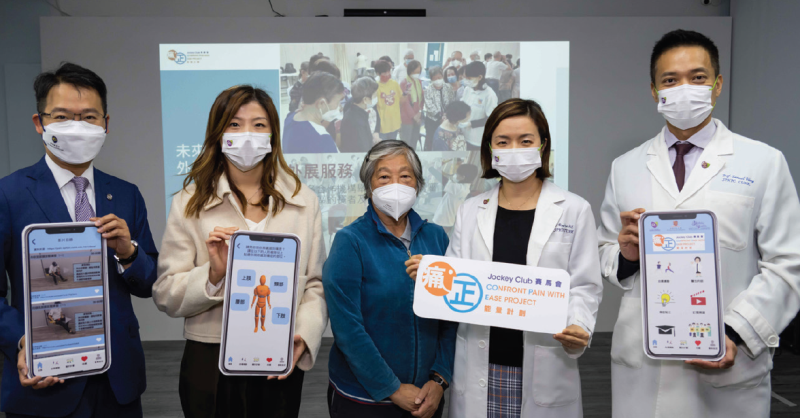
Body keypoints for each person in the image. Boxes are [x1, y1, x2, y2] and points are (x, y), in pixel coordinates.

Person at [597, 29, 800, 418]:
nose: (684, 88)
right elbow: (606, 251)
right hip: (643, 365)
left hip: (728, 360)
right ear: (655, 91)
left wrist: (737, 331)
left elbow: (789, 263)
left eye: (698, 77)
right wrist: (625, 255)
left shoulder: (762, 161)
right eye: (670, 80)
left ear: (717, 85)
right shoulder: (625, 167)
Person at [407, 99, 603, 418]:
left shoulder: (573, 209)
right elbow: (457, 285)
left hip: (545, 364)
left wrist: (579, 325)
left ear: (543, 145)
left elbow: (585, 287)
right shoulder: (471, 210)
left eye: (525, 141)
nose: (514, 149)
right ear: (489, 149)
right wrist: (431, 275)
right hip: (480, 364)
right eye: (503, 141)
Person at [153, 85, 328, 418]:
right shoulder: (190, 203)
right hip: (209, 357)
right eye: (235, 124)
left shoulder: (304, 201)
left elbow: (315, 286)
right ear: (218, 133)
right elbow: (165, 294)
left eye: (259, 124)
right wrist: (214, 275)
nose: (248, 134)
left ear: (274, 134)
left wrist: (304, 335)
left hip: (278, 355)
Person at [1, 62, 159, 417]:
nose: (77, 127)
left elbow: (149, 282)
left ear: (106, 124)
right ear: (39, 123)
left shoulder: (125, 194)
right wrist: (22, 342)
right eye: (63, 116)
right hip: (45, 379)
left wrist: (129, 252)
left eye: (89, 117)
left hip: (118, 381)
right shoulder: (8, 195)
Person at [323, 140, 456, 418]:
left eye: (405, 176)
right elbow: (348, 329)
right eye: (384, 176)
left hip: (427, 396)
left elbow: (451, 315)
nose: (395, 184)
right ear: (369, 186)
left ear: (417, 184)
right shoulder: (350, 241)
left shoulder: (436, 237)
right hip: (363, 400)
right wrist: (392, 388)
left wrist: (440, 379)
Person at [282, 72, 344, 153]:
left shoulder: (291, 117)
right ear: (322, 103)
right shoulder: (322, 140)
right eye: (338, 102)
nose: (340, 107)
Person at [460, 62, 499, 151]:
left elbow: (492, 120)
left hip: (477, 139)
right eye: (464, 77)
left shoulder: (489, 95)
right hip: (463, 136)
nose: (466, 80)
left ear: (480, 77)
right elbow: (463, 105)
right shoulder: (468, 89)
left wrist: (471, 124)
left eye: (468, 78)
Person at [431, 163, 478, 233]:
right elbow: (447, 193)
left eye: (457, 174)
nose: (455, 175)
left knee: (436, 240)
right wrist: (430, 195)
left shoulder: (460, 189)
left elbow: (444, 181)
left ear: (463, 177)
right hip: (444, 220)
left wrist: (431, 169)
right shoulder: (462, 187)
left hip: (444, 221)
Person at [340, 76, 380, 153]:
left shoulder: (356, 112)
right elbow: (363, 149)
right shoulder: (357, 122)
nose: (376, 98)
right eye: (375, 95)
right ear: (365, 100)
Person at [422, 66, 456, 151]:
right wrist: (440, 117)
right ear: (431, 79)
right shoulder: (428, 89)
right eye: (435, 78)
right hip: (432, 120)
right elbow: (429, 106)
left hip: (447, 120)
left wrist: (447, 115)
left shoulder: (448, 88)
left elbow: (452, 102)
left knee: (443, 142)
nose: (437, 80)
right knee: (430, 140)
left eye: (439, 77)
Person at [374, 60, 402, 140]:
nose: (387, 74)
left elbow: (400, 101)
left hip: (394, 123)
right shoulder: (375, 86)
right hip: (382, 126)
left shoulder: (394, 84)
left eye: (388, 71)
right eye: (384, 72)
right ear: (378, 74)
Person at [399, 60, 424, 150]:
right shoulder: (404, 83)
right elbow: (405, 103)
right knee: (406, 143)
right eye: (414, 72)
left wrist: (420, 112)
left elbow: (421, 99)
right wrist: (414, 116)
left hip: (418, 116)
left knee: (414, 142)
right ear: (410, 71)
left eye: (418, 72)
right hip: (407, 117)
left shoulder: (419, 82)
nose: (416, 74)